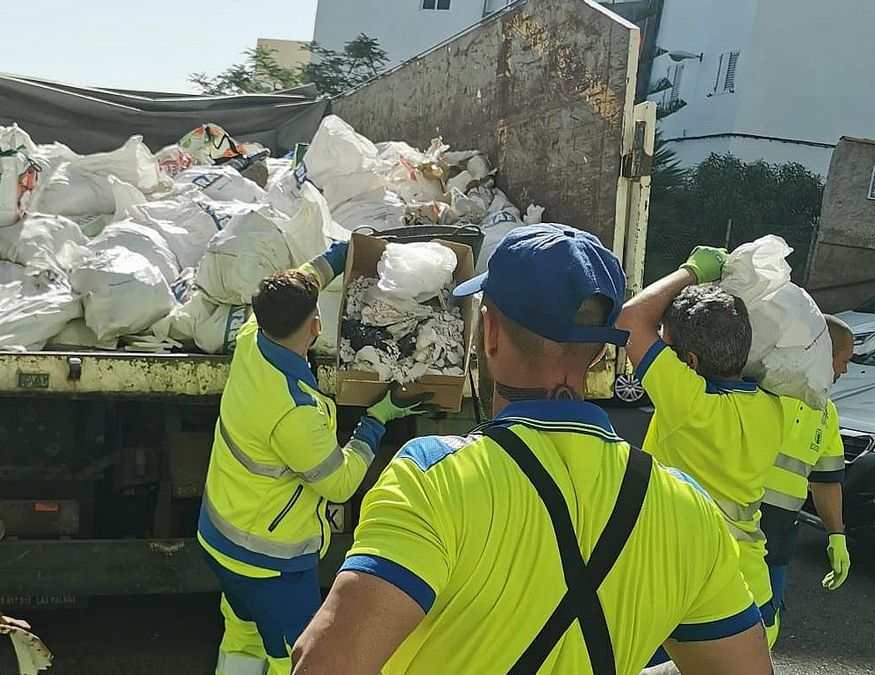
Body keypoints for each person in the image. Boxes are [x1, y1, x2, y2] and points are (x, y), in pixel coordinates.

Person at [292, 224, 772, 675]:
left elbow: (325, 664)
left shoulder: (432, 479)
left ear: (489, 334)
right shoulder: (689, 508)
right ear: (599, 353)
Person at [198, 241, 433, 675]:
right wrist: (377, 419)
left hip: (221, 537)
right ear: (316, 325)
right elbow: (339, 484)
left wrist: (344, 254)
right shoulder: (292, 412)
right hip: (270, 563)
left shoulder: (253, 337)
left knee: (244, 634)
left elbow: (306, 277)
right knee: (295, 658)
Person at [617, 247, 786, 657]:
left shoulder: (690, 404)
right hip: (756, 597)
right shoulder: (772, 407)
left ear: (689, 362)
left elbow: (630, 319)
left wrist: (692, 271)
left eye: (666, 346)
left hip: (695, 602)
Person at [759, 314, 853, 642]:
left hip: (777, 541)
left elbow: (826, 480)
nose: (845, 371)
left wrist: (837, 535)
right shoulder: (765, 388)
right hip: (733, 528)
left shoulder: (827, 412)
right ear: (823, 352)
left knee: (764, 630)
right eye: (844, 361)